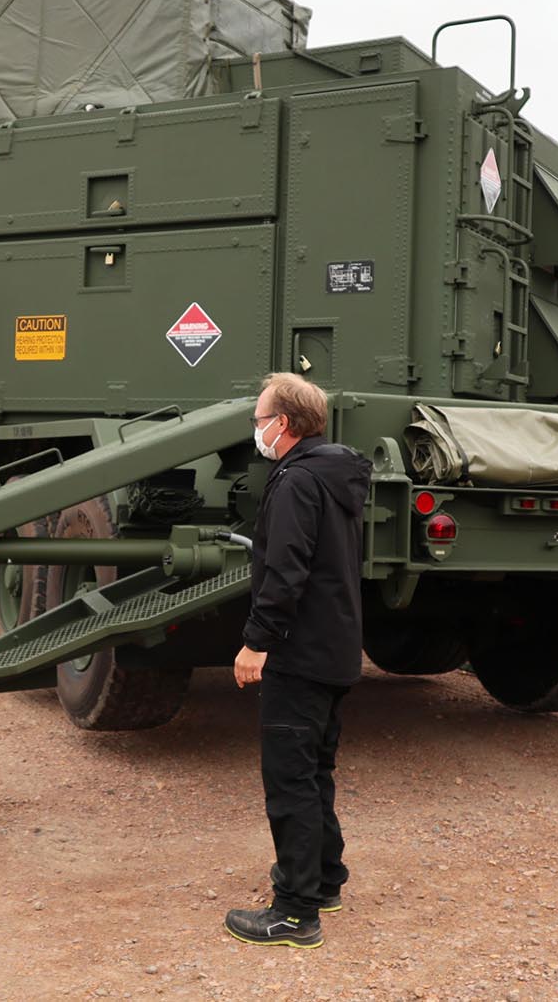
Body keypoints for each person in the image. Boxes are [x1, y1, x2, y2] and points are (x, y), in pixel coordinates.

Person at [226, 373, 371, 948]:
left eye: (260, 419)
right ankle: (324, 880)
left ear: (281, 424)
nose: (256, 428)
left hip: (298, 653)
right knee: (316, 771)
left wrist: (255, 641)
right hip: (333, 651)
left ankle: (293, 912)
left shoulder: (293, 484)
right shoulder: (335, 476)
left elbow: (286, 572)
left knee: (290, 780)